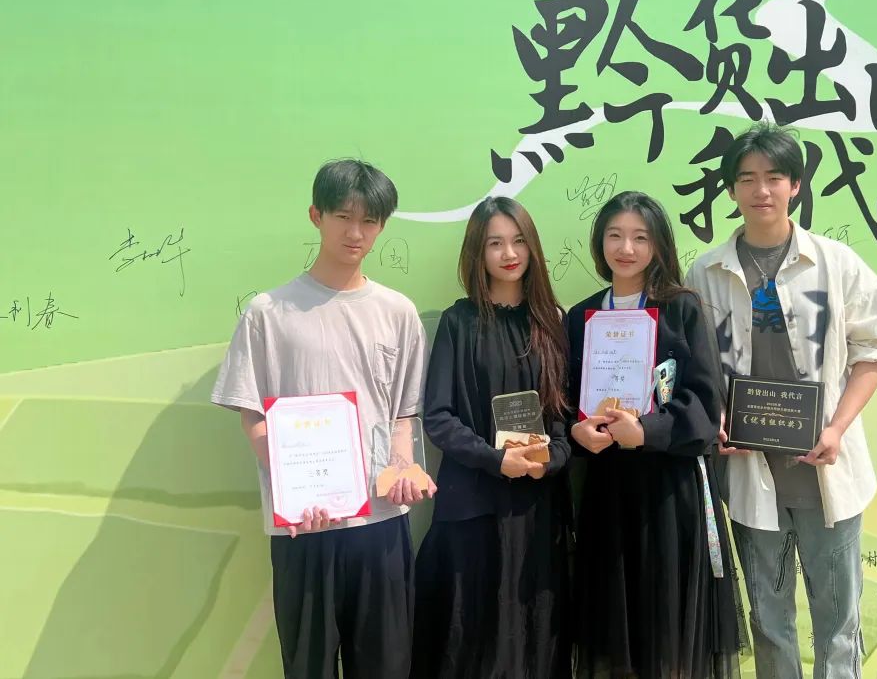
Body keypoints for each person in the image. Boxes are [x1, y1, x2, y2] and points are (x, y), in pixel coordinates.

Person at [685, 122, 877, 679]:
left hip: (826, 468)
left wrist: (837, 428)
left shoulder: (835, 263)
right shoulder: (705, 273)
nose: (761, 190)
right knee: (769, 618)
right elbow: (695, 367)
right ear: (731, 189)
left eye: (774, 177)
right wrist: (719, 419)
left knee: (838, 620)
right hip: (749, 473)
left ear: (795, 185)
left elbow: (875, 349)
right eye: (747, 179)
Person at [211, 159, 434, 679]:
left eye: (369, 221)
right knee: (308, 665)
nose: (355, 233)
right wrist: (296, 489)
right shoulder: (268, 313)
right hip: (304, 529)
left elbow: (403, 414)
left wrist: (402, 469)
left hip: (381, 524)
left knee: (386, 664)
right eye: (343, 217)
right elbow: (252, 417)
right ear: (316, 216)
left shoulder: (398, 312)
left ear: (382, 226)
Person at [566, 191, 744, 679]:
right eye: (615, 236)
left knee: (669, 631)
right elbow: (564, 401)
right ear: (600, 242)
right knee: (615, 628)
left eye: (640, 237)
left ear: (659, 245)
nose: (626, 248)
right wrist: (577, 431)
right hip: (606, 491)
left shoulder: (682, 309)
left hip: (669, 493)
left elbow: (705, 406)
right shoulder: (580, 317)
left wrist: (644, 431)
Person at [411, 196, 572, 679]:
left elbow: (563, 413)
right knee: (470, 635)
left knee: (533, 633)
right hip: (474, 504)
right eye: (495, 243)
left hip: (536, 505)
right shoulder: (459, 322)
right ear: (477, 253)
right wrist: (493, 459)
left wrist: (552, 458)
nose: (509, 253)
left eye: (519, 241)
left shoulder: (552, 321)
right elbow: (438, 417)